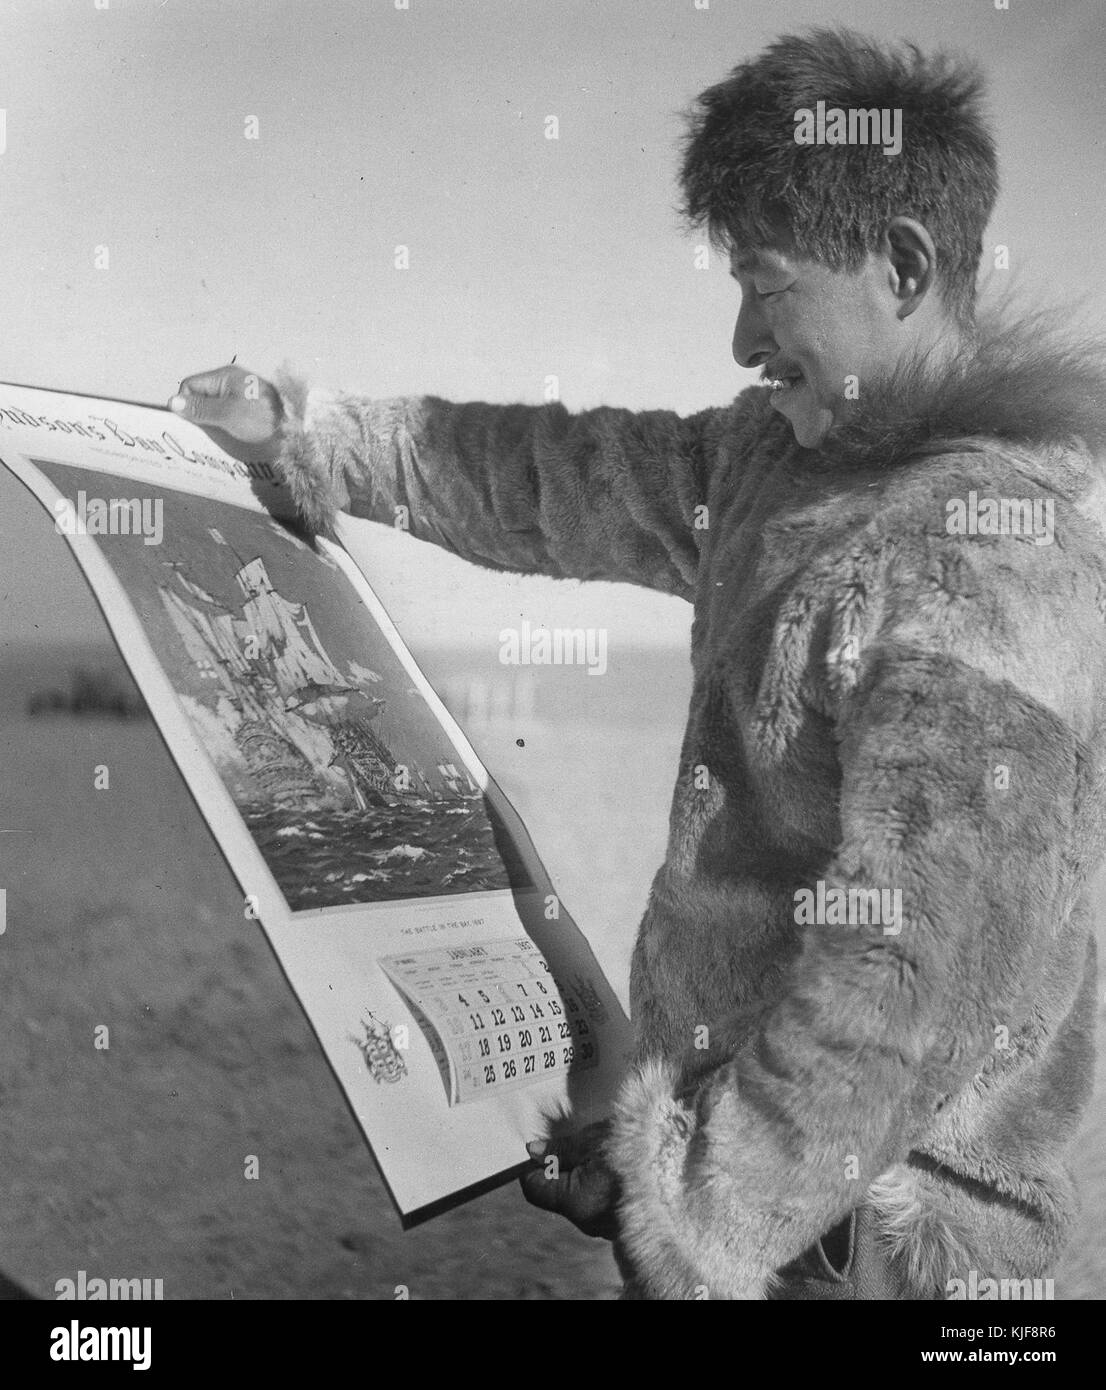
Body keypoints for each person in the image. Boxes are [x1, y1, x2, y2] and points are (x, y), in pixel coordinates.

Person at [171, 27, 1106, 1299]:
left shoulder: (992, 561)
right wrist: (308, 440)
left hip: (890, 1250)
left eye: (764, 286)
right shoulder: (771, 466)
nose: (737, 339)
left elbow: (905, 982)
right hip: (746, 1195)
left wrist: (688, 1212)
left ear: (899, 264)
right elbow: (553, 478)